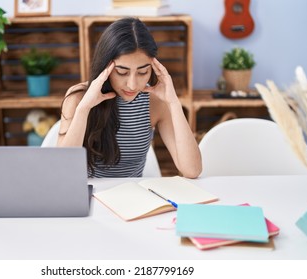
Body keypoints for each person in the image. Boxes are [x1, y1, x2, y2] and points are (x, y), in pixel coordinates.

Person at [57, 17, 202, 178]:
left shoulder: (155, 102)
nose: (132, 85)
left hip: (133, 198)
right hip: (89, 198)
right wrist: (84, 109)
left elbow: (192, 170)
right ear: (106, 67)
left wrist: (174, 103)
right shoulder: (78, 98)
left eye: (142, 72)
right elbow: (63, 172)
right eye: (122, 72)